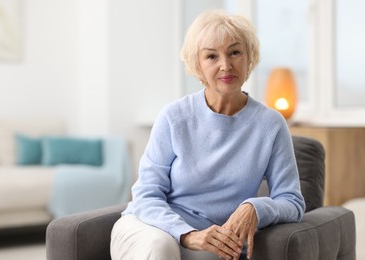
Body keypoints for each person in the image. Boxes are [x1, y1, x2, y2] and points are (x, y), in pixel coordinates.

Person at [110, 9, 305, 260]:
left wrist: (254, 207)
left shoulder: (271, 125)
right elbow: (147, 196)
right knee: (162, 248)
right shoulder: (174, 117)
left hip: (209, 239)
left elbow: (292, 201)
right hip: (150, 226)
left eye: (235, 52)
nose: (226, 65)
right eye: (212, 56)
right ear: (198, 66)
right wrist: (188, 234)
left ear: (249, 58)